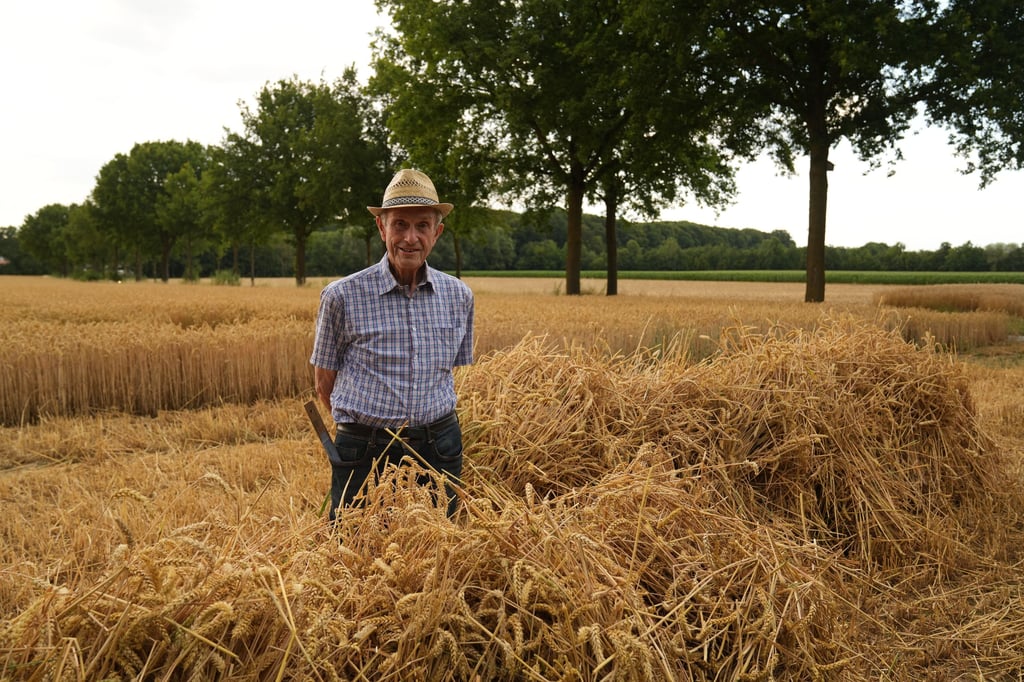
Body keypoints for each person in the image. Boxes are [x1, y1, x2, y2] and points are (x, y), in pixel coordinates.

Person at [310, 168, 474, 520]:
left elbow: (447, 375)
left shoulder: (460, 296)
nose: (410, 238)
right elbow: (324, 384)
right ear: (381, 228)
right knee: (353, 553)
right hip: (364, 450)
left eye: (422, 226)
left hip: (439, 447)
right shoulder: (341, 296)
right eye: (399, 224)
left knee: (440, 552)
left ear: (437, 232)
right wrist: (368, 432)